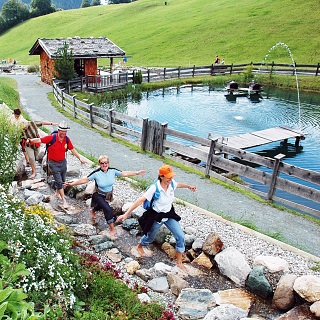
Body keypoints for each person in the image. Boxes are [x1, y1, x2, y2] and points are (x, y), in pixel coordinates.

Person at [116, 164, 196, 271]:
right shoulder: (154, 188)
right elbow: (140, 200)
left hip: (169, 214)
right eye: (168, 177)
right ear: (161, 176)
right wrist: (126, 214)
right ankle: (140, 245)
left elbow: (178, 184)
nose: (171, 179)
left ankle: (179, 262)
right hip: (157, 216)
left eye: (171, 176)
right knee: (150, 237)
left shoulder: (171, 184)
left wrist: (189, 186)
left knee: (180, 236)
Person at [64, 155, 146, 236]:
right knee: (108, 209)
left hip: (108, 195)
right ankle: (112, 228)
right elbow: (84, 180)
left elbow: (124, 173)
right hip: (98, 195)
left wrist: (137, 173)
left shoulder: (112, 171)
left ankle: (93, 210)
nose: (104, 164)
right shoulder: (96, 173)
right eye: (102, 163)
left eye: (106, 162)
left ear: (108, 163)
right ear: (99, 164)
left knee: (101, 206)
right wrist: (72, 184)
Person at [27, 120, 85, 209]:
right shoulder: (52, 138)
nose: (64, 133)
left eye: (65, 131)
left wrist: (79, 158)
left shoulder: (67, 139)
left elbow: (72, 149)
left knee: (63, 180)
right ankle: (64, 201)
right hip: (53, 163)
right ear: (59, 130)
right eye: (62, 131)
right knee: (59, 181)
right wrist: (30, 140)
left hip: (63, 162)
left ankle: (57, 194)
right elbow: (40, 140)